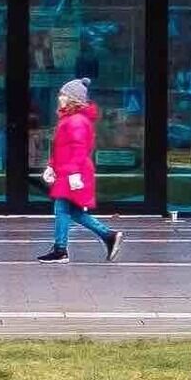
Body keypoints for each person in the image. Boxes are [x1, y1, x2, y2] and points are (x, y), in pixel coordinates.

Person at [36, 76, 120, 262]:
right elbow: (63, 148)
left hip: (73, 172)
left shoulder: (75, 121)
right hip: (70, 171)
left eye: (64, 95)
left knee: (61, 209)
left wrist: (73, 172)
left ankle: (60, 250)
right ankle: (108, 236)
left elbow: (79, 148)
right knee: (72, 211)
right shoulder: (72, 119)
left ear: (73, 99)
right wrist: (52, 166)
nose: (60, 98)